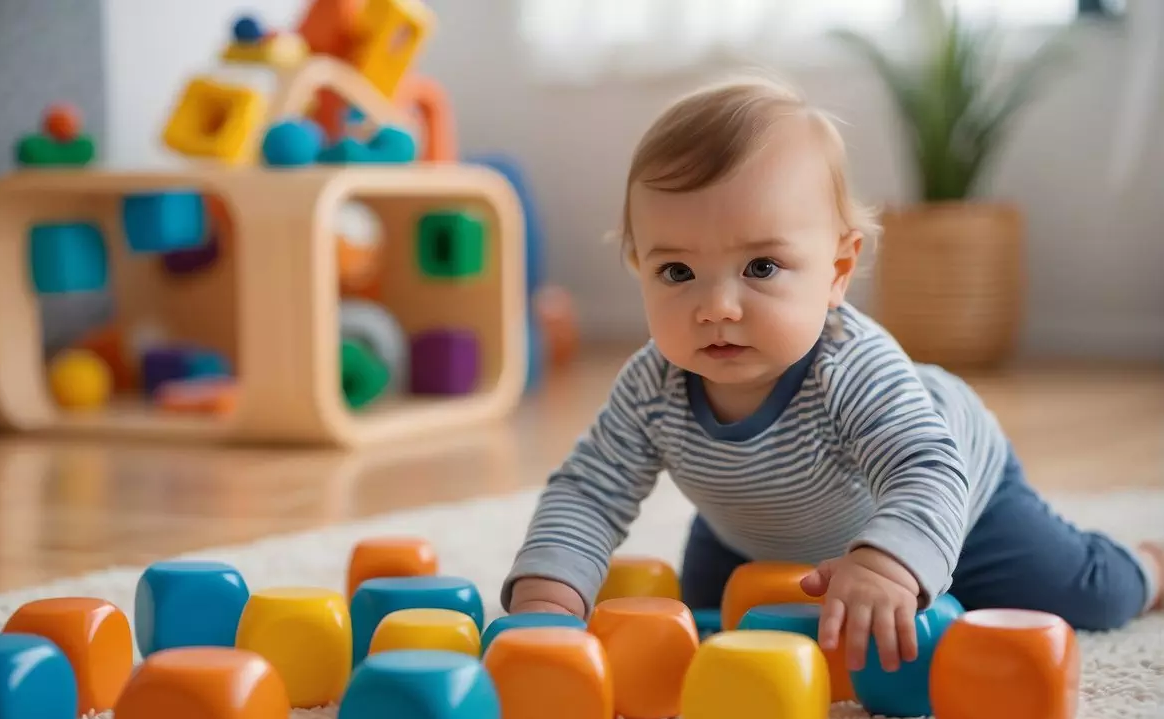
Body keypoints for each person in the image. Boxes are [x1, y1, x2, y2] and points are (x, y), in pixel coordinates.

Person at [498, 74, 1163, 673]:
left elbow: (923, 469)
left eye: (760, 268)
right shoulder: (651, 386)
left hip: (957, 497)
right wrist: (548, 599)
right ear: (639, 267)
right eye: (676, 272)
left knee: (1079, 596)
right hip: (750, 529)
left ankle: (1146, 567)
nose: (717, 308)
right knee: (706, 633)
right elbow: (588, 491)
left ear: (837, 272)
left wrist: (883, 564)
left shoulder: (848, 367)